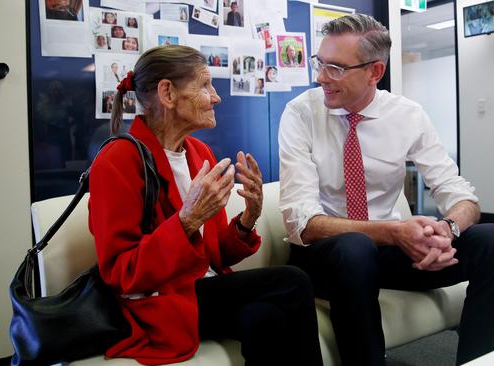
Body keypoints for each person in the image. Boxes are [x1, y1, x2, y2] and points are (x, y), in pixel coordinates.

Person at [278, 13, 494, 366]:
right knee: (355, 248)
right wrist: (394, 232)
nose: (320, 78)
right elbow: (302, 223)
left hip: (388, 257)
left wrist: (447, 230)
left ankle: (477, 360)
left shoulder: (407, 115)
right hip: (327, 258)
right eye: (320, 63)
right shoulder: (300, 114)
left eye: (335, 68)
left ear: (374, 72)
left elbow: (458, 192)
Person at [89, 45, 323, 366]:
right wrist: (186, 221)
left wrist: (248, 218)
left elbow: (212, 257)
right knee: (293, 280)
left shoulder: (199, 153)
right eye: (205, 85)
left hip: (202, 294)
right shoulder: (116, 161)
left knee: (265, 318)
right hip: (160, 302)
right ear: (167, 93)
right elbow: (121, 273)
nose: (216, 97)